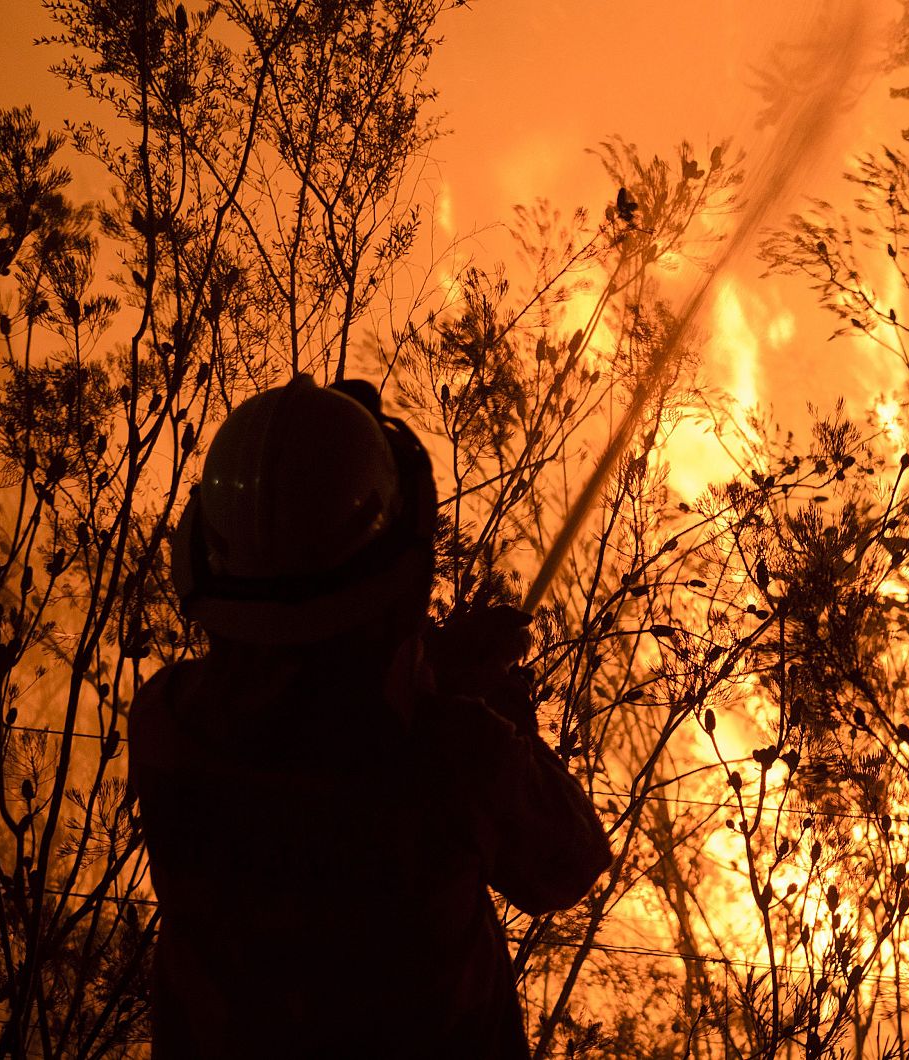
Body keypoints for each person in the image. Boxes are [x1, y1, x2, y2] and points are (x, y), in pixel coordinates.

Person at [128, 375, 612, 1058]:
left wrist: (429, 677)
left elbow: (307, 719)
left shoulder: (166, 722)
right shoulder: (452, 754)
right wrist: (496, 715)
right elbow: (570, 862)